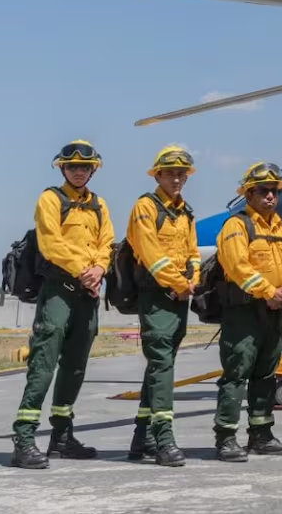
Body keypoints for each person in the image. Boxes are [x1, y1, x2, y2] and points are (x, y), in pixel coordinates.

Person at [10, 140, 115, 470]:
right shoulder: (50, 199)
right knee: (43, 363)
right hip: (59, 291)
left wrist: (100, 268)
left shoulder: (99, 205)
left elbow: (106, 242)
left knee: (76, 366)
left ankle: (62, 437)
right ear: (63, 169)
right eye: (72, 167)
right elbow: (51, 243)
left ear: (92, 170)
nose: (78, 172)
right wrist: (83, 271)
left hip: (87, 295)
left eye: (84, 167)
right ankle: (24, 438)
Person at [212, 162, 282, 462]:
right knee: (237, 373)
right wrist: (268, 292)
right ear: (248, 194)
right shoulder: (237, 226)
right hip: (244, 312)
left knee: (266, 374)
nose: (270, 196)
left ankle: (261, 434)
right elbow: (238, 267)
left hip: (273, 311)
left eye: (274, 191)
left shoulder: (280, 227)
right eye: (263, 191)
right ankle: (226, 438)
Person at [125, 145, 201, 467]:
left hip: (179, 300)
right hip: (157, 299)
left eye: (181, 174)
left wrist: (192, 279)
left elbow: (193, 252)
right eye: (170, 173)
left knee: (161, 365)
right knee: (162, 366)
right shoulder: (145, 207)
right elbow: (151, 255)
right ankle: (164, 440)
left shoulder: (186, 212)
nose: (177, 178)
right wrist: (180, 284)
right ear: (157, 176)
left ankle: (142, 437)